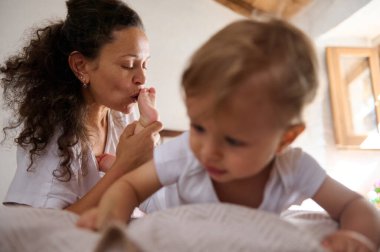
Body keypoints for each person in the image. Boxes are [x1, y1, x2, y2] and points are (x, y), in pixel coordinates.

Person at [77, 18, 380, 252]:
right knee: (149, 194)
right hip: (164, 197)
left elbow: (355, 206)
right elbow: (130, 186)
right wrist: (112, 218)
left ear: (285, 140)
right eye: (198, 127)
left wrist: (355, 235)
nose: (208, 151)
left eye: (233, 141)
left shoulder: (294, 168)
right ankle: (111, 162)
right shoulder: (187, 152)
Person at [0, 0, 162, 215]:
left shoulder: (122, 116)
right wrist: (124, 166)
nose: (142, 78)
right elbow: (44, 232)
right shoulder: (53, 134)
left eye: (145, 65)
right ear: (81, 66)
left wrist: (146, 135)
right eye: (128, 66)